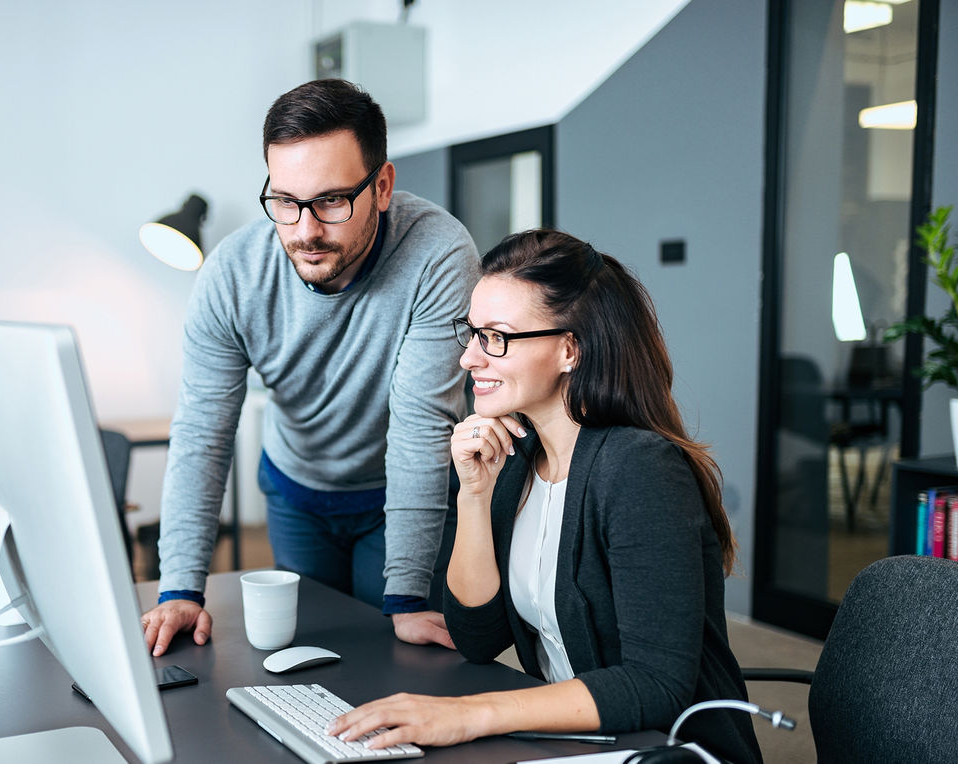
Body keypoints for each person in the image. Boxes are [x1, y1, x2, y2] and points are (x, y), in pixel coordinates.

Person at [328, 230, 763, 763]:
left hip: (666, 750)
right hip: (569, 742)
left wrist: (469, 715)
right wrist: (473, 493)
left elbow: (656, 685)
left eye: (497, 336)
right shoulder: (516, 459)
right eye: (471, 332)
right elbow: (476, 636)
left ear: (569, 349)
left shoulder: (639, 470)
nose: (469, 358)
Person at [141, 79, 480, 658]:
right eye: (284, 200)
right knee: (307, 658)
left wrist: (405, 596)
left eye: (330, 201)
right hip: (296, 491)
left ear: (382, 186)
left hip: (398, 493)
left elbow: (422, 429)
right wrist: (180, 587)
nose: (304, 230)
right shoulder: (232, 274)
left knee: (399, 656)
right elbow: (202, 432)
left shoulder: (439, 255)